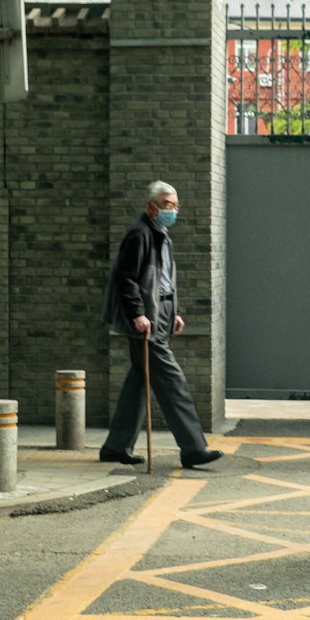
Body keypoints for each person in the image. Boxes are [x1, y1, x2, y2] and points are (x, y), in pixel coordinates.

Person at [100, 180, 221, 470]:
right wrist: (137, 313)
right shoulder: (139, 235)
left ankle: (116, 446)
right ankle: (193, 447)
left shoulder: (162, 235)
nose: (173, 210)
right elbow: (126, 278)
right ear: (151, 206)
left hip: (162, 311)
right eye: (168, 204)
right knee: (172, 380)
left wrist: (174, 311)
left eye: (176, 205)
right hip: (145, 317)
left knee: (140, 382)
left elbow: (164, 280)